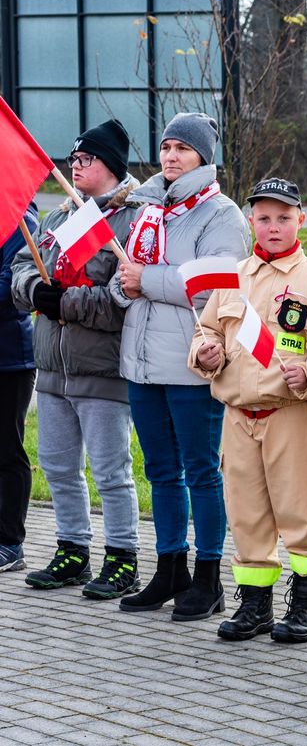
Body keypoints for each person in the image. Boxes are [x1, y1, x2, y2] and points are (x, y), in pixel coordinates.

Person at [111, 112, 249, 620]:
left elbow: (215, 288)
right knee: (160, 472)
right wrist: (124, 284)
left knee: (201, 472)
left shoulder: (221, 215)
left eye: (182, 149)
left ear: (203, 157)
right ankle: (171, 566)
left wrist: (143, 280)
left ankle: (209, 575)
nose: (171, 157)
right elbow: (125, 277)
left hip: (191, 365)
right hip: (142, 365)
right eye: (166, 147)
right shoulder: (148, 209)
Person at [189, 178, 307, 644]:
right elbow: (206, 331)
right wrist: (206, 352)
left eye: (284, 218)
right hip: (238, 415)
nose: (273, 227)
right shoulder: (231, 277)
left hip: (288, 413)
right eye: (265, 217)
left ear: (301, 221)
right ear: (251, 220)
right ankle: (254, 605)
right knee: (247, 513)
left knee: (300, 510)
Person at [12, 121, 141, 597]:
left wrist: (61, 304)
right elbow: (23, 271)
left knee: (111, 470)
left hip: (101, 368)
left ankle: (122, 555)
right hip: (53, 368)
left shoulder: (131, 221)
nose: (74, 166)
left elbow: (119, 297)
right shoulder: (57, 217)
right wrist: (35, 292)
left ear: (109, 165)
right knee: (58, 466)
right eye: (73, 159)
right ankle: (72, 550)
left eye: (85, 159)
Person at [0, 201, 37, 575]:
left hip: (9, 359)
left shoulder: (18, 221)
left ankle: (10, 543)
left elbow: (9, 286)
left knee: (7, 451)